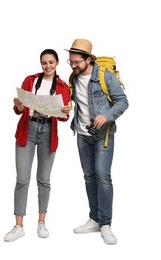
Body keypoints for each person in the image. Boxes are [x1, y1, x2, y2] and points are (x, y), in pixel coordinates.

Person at [65, 39, 129, 245]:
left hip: (103, 135)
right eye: (70, 62)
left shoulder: (104, 76)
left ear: (87, 59)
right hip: (82, 134)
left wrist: (107, 116)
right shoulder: (73, 78)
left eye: (76, 62)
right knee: (89, 176)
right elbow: (75, 102)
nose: (73, 65)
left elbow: (123, 101)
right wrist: (66, 108)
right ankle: (94, 219)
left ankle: (106, 223)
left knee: (103, 176)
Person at [4, 49, 71, 242]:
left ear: (57, 63)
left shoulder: (63, 86)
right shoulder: (30, 80)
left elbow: (64, 116)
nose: (47, 66)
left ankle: (41, 222)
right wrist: (18, 105)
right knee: (22, 179)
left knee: (44, 179)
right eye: (44, 63)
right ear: (40, 64)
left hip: (49, 132)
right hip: (29, 128)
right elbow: (19, 110)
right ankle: (19, 225)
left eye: (51, 62)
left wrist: (65, 111)